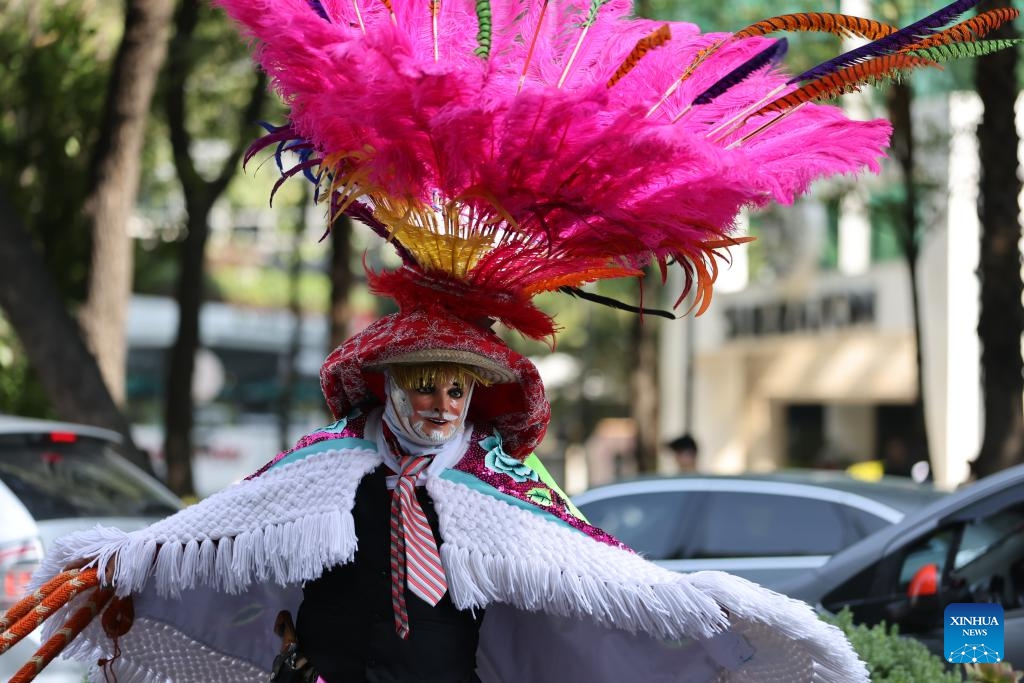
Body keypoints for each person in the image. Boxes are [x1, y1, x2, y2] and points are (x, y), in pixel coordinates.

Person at [3, 0, 1010, 680]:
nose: (439, 400)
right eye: (423, 381)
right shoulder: (317, 472)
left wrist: (745, 621)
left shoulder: (510, 490)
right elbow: (208, 534)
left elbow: (616, 580)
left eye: (456, 387)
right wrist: (111, 561)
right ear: (381, 383)